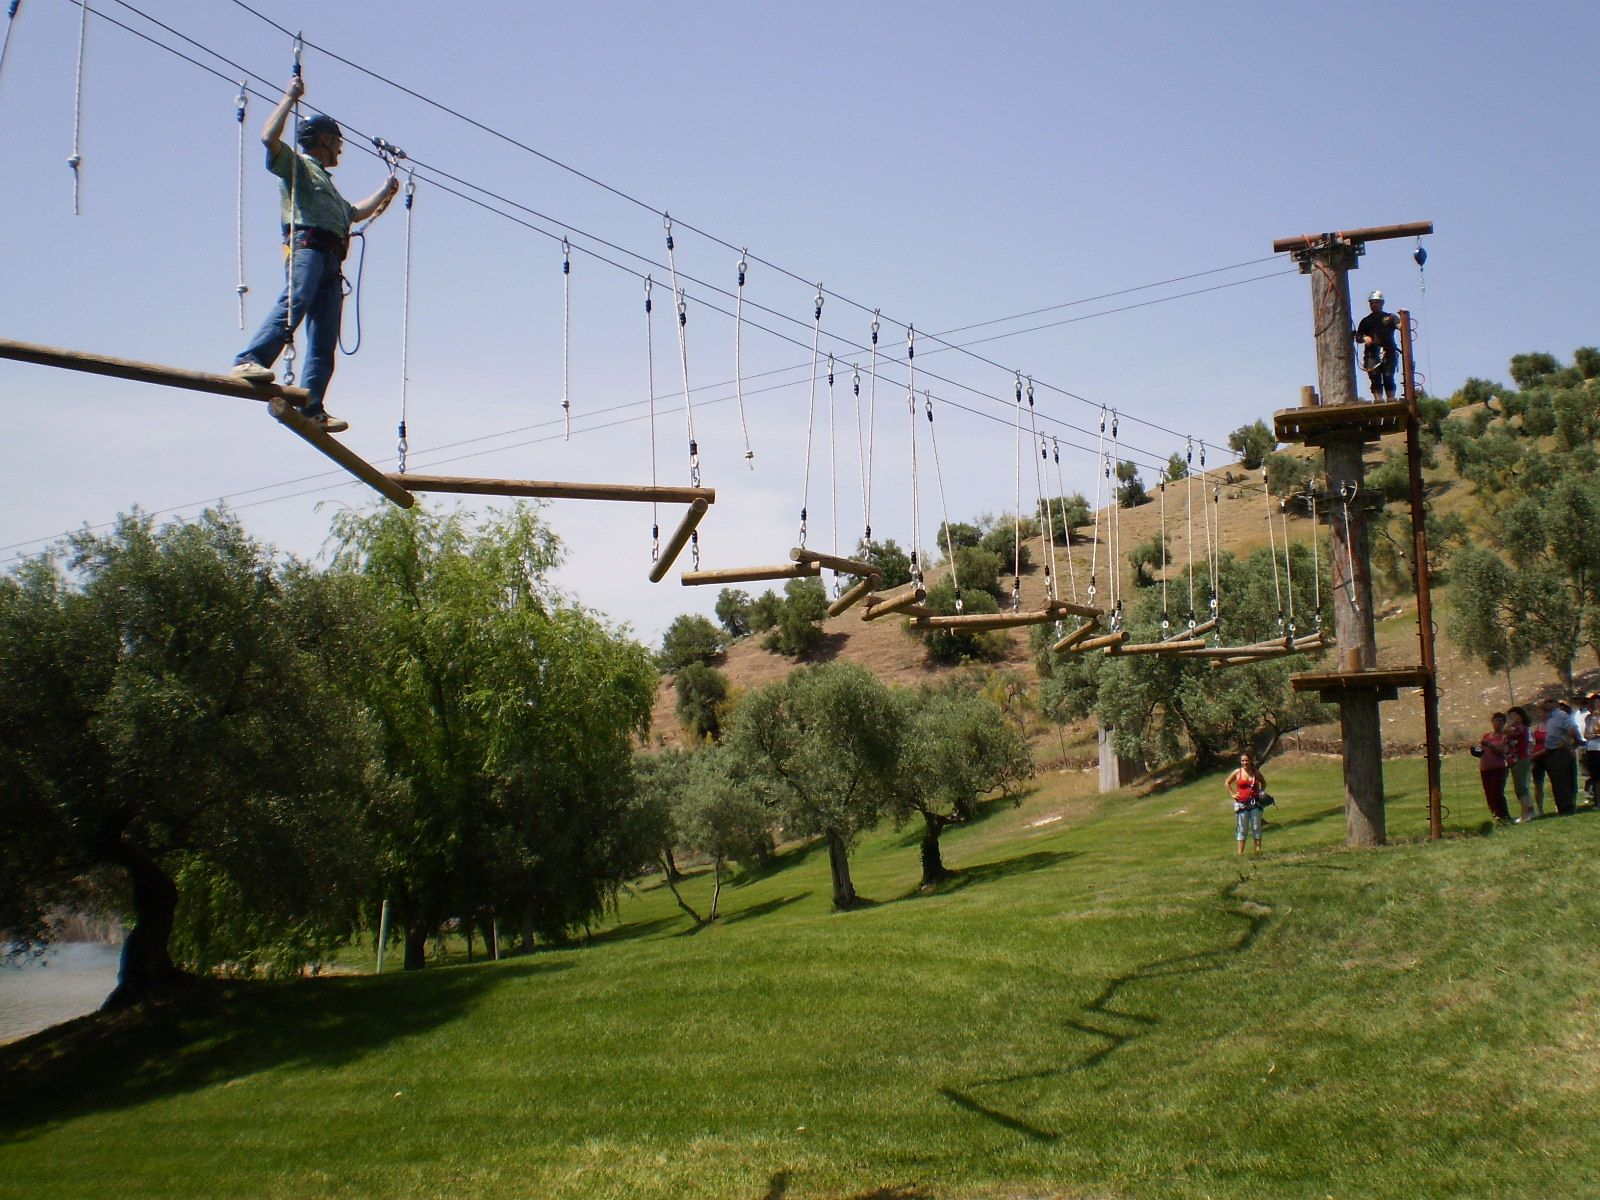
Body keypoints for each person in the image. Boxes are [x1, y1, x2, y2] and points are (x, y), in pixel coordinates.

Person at [230, 74, 400, 433]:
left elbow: (355, 213)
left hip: (331, 262)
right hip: (308, 248)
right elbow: (268, 138)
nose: (340, 149)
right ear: (324, 139)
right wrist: (290, 96)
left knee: (324, 337)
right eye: (337, 142)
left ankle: (312, 406)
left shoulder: (328, 186)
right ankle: (251, 358)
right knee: (297, 299)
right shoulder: (299, 167)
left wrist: (386, 191)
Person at [1353, 290, 1400, 401]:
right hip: (1372, 354)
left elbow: (1400, 326)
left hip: (1388, 352)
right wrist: (1365, 338)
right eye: (1372, 303)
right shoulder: (1366, 321)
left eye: (1376, 302)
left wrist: (1404, 318)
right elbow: (1358, 337)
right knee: (1375, 378)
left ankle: (1391, 400)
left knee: (1388, 377)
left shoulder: (1390, 318)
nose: (1374, 305)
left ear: (1382, 303)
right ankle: (1379, 401)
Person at [1540, 697, 1582, 816]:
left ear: (1556, 704)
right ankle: (1562, 807)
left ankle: (1567, 807)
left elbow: (1574, 730)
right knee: (1557, 781)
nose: (1547, 703)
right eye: (1546, 701)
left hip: (1561, 752)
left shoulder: (1561, 715)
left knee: (1563, 780)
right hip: (1551, 753)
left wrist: (1572, 745)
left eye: (1550, 701)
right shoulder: (1550, 718)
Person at [1469, 712, 1511, 822]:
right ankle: (1496, 816)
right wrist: (1474, 751)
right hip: (1485, 767)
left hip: (1499, 767)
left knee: (1497, 792)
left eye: (1501, 721)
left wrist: (1491, 746)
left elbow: (1502, 752)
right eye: (1496, 720)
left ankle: (1504, 815)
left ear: (1504, 723)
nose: (1498, 723)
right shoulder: (1486, 736)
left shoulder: (1504, 736)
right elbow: (1482, 753)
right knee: (1489, 794)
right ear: (1492, 722)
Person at [1224, 752, 1268, 855]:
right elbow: (1227, 783)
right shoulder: (1237, 772)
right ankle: (1240, 853)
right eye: (1242, 761)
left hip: (1255, 804)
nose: (1245, 762)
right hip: (1242, 805)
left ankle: (1258, 851)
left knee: (1256, 827)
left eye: (1246, 760)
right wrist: (1232, 794)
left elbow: (1263, 782)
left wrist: (1261, 793)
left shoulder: (1255, 772)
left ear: (1251, 761)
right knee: (1242, 829)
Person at [1505, 706, 1535, 823]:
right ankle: (1530, 811)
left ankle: (1525, 814)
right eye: (1510, 716)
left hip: (1520, 759)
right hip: (1515, 760)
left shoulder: (1520, 728)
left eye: (1514, 715)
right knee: (1522, 787)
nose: (1511, 718)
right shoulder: (1517, 728)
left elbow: (1505, 730)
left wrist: (1508, 725)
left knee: (1520, 787)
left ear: (1521, 717)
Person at [1581, 693, 1600, 806]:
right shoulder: (1588, 718)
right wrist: (1594, 735)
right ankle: (1598, 802)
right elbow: (1586, 734)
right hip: (1592, 748)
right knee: (1596, 777)